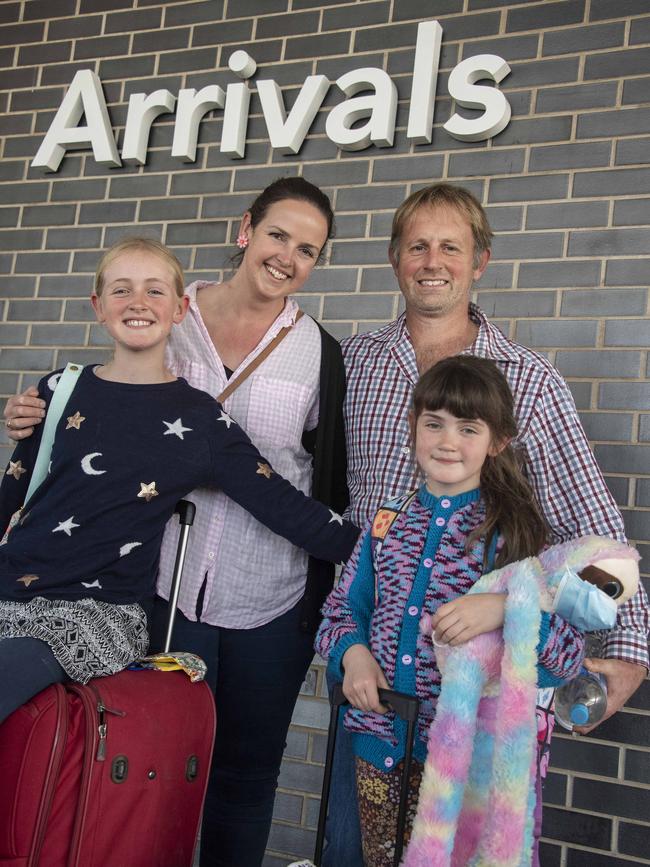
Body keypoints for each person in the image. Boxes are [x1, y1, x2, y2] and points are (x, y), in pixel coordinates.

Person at [2, 177, 349, 867]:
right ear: (246, 229)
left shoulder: (280, 373)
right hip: (118, 591)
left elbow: (289, 497)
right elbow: (20, 487)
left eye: (306, 248)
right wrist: (28, 413)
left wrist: (381, 547)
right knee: (136, 770)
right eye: (278, 234)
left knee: (241, 775)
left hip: (165, 605)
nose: (287, 254)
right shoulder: (78, 375)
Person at [324, 182, 649, 866]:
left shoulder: (529, 381)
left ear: (481, 261)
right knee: (356, 846)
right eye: (417, 245)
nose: (432, 260)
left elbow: (594, 528)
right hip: (374, 684)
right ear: (393, 259)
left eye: (451, 246)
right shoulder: (350, 364)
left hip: (475, 710)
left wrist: (624, 648)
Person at [0, 236, 358, 726]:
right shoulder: (58, 389)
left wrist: (383, 548)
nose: (138, 303)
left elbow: (283, 505)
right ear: (98, 306)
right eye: (121, 290)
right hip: (9, 596)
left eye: (154, 291)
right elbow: (12, 495)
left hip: (98, 615)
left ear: (180, 309)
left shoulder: (200, 422)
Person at [315, 355, 587, 867]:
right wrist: (352, 656)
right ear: (412, 424)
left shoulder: (518, 536)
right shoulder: (386, 523)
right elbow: (339, 615)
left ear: (497, 441)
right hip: (378, 749)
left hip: (467, 768)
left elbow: (565, 657)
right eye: (434, 423)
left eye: (468, 428)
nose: (447, 441)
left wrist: (507, 608)